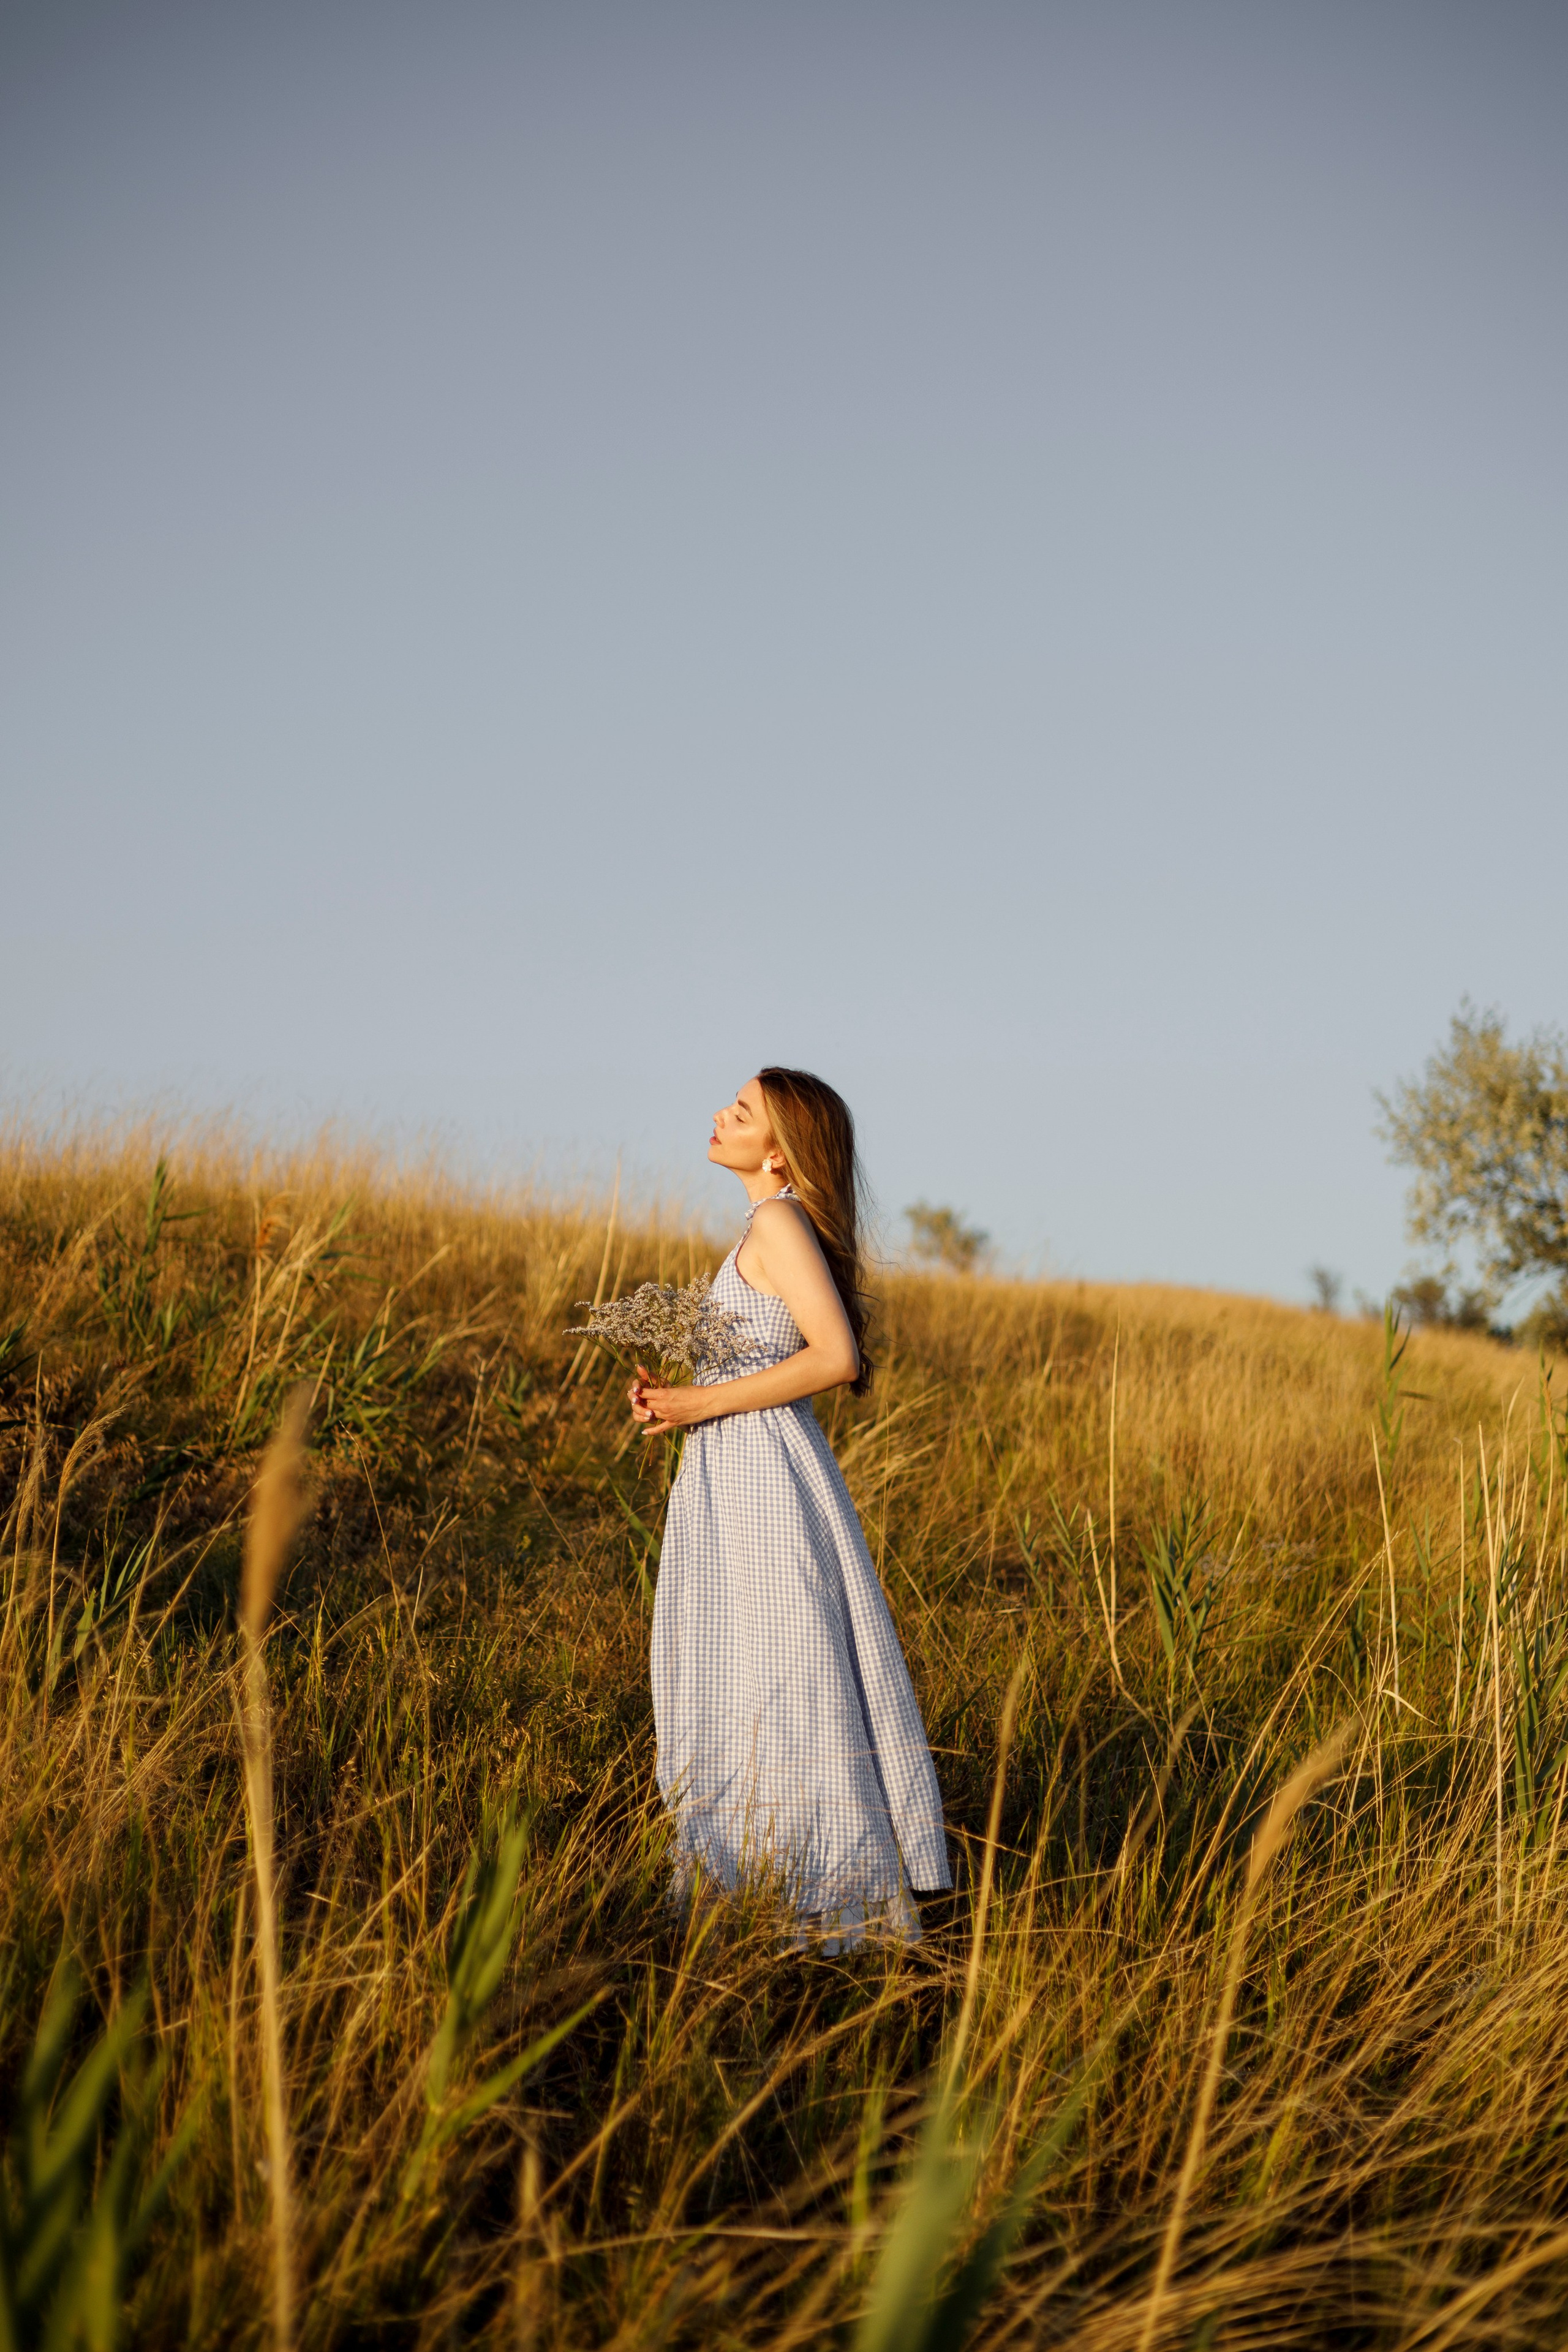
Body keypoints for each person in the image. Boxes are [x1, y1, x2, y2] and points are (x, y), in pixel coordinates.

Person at [630, 1067, 951, 1948]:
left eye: (740, 1113)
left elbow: (836, 1356)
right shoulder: (764, 1227)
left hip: (766, 1478)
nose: (717, 1116)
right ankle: (765, 1896)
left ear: (777, 1150)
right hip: (737, 1473)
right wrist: (677, 1400)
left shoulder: (777, 1220)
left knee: (789, 1672)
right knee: (749, 1670)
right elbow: (769, 1361)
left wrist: (699, 1405)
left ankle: (832, 1913)